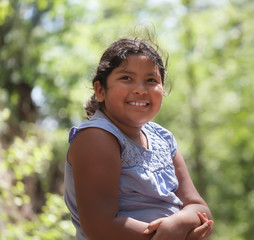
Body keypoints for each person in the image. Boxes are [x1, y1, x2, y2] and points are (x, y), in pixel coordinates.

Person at [64, 37, 213, 240]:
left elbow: (199, 207)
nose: (140, 89)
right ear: (100, 90)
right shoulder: (97, 137)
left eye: (151, 80)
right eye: (126, 78)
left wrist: (178, 223)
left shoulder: (163, 138)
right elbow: (100, 227)